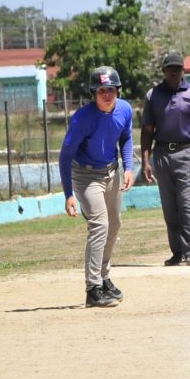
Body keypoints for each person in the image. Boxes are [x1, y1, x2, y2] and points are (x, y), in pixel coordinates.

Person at [58, 66, 134, 308]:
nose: (107, 95)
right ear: (94, 93)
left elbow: (126, 138)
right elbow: (65, 156)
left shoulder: (125, 110)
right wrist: (68, 194)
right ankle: (93, 289)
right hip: (85, 175)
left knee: (115, 224)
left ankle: (103, 277)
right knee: (99, 225)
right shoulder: (82, 119)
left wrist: (129, 167)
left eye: (111, 89)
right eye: (101, 90)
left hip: (112, 171)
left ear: (117, 91)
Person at [140, 51, 190, 267]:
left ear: (183, 70)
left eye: (177, 68)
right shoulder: (153, 96)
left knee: (187, 204)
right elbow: (147, 130)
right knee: (170, 208)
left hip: (186, 153)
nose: (173, 71)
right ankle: (177, 252)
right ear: (163, 71)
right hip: (162, 154)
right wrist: (146, 160)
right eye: (169, 68)